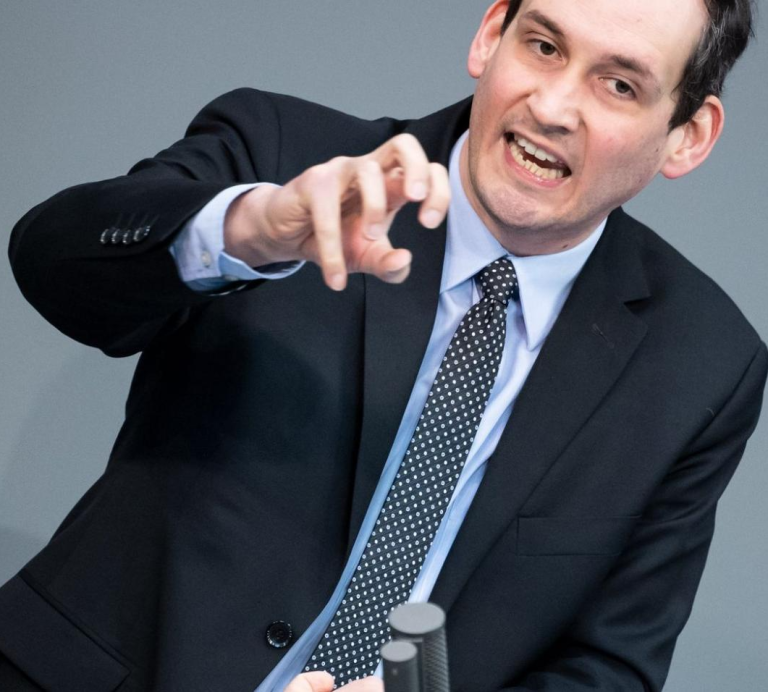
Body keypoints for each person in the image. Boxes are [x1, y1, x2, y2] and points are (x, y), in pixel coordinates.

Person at [1, 0, 765, 690]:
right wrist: (250, 230)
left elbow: (610, 666)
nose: (553, 106)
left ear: (688, 136)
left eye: (619, 85)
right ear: (490, 35)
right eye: (543, 46)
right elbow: (51, 264)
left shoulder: (703, 365)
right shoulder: (285, 155)